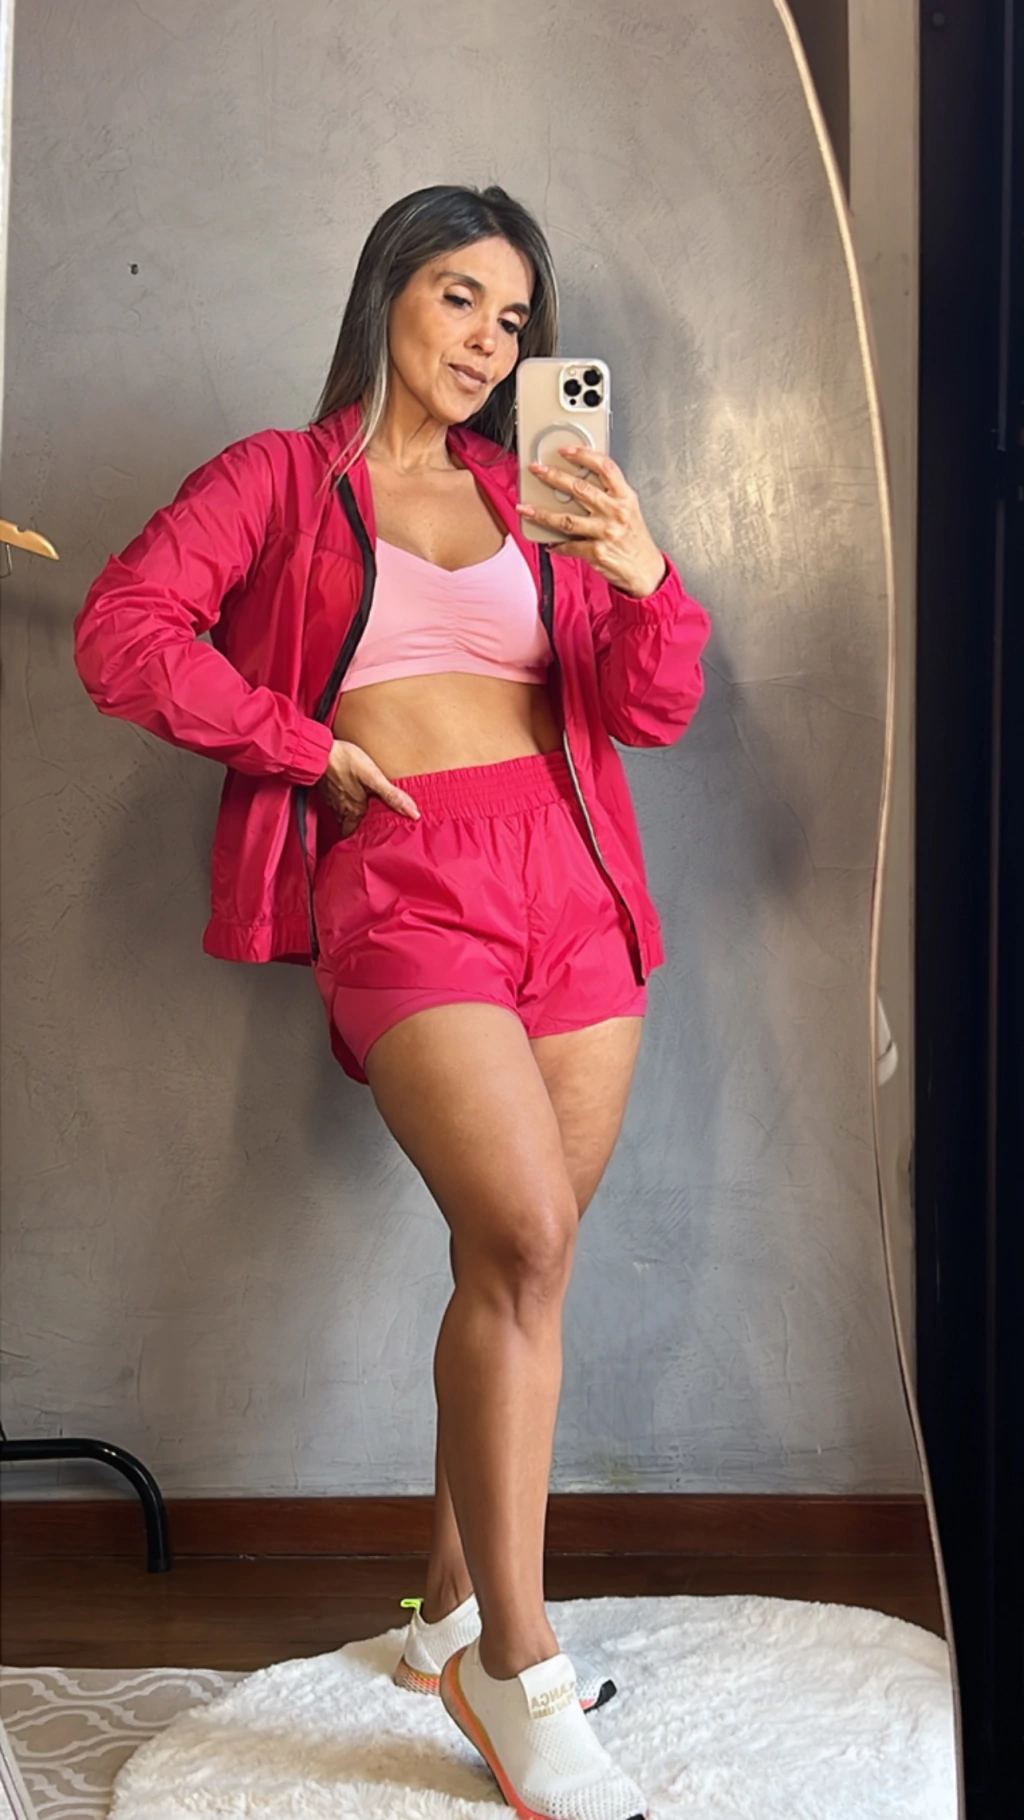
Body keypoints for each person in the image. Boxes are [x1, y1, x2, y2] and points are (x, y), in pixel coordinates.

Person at [74, 183, 712, 1820]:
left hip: (576, 887)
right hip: (408, 880)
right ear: (388, 293)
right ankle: (520, 1666)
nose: (490, 342)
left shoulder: (537, 491)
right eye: (459, 297)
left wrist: (643, 570)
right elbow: (123, 630)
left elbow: (650, 710)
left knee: (524, 1269)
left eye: (517, 319)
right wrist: (301, 746)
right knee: (526, 1238)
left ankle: (442, 1621)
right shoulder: (277, 480)